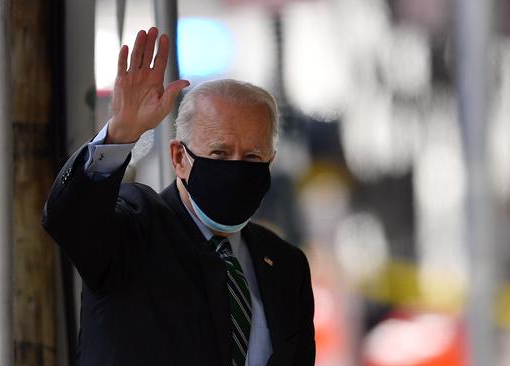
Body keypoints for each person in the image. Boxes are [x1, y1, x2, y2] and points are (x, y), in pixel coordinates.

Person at [42, 27, 315, 366]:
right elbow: (71, 220)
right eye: (219, 153)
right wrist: (120, 135)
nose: (236, 168)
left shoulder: (286, 265)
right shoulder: (134, 229)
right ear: (178, 158)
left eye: (252, 157)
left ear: (270, 162)